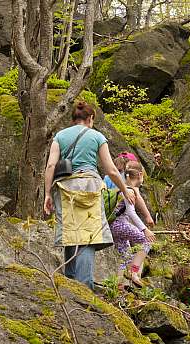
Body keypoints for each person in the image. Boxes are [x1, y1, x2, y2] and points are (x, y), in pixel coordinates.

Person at [44, 101, 135, 290]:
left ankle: (69, 284)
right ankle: (84, 287)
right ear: (90, 118)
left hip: (64, 187)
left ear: (73, 118)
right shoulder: (97, 136)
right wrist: (125, 190)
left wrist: (47, 194)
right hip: (89, 187)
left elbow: (51, 166)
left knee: (71, 233)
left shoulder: (60, 136)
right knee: (88, 237)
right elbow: (110, 169)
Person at [109, 161, 155, 288]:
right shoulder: (130, 191)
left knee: (126, 256)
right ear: (140, 175)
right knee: (147, 240)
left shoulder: (121, 188)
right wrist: (145, 229)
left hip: (113, 227)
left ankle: (118, 286)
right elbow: (131, 212)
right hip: (121, 224)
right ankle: (134, 272)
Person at [103, 152, 155, 227]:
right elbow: (138, 199)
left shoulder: (108, 177)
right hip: (122, 217)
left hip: (108, 215)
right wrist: (148, 216)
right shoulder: (129, 180)